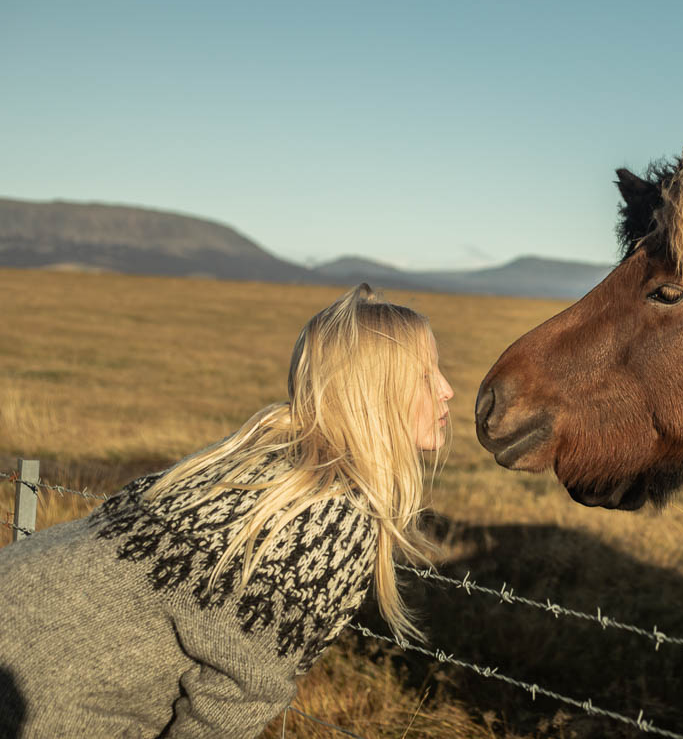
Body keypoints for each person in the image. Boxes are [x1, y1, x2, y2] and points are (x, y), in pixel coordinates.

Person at [0, 284, 454, 738]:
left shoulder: (258, 456)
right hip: (35, 702)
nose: (448, 390)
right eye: (425, 376)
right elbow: (227, 710)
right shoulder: (330, 517)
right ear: (373, 391)